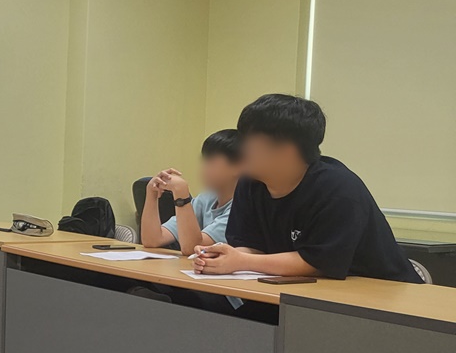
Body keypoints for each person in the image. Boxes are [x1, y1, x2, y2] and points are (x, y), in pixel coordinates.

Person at [193, 94, 421, 283]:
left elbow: (318, 262)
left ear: (286, 149)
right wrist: (222, 257)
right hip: (300, 294)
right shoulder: (250, 184)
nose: (240, 148)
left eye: (248, 139)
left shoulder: (338, 188)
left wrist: (243, 261)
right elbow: (250, 247)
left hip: (381, 299)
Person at [140, 130, 241, 255]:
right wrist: (152, 194)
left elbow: (192, 248)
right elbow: (152, 240)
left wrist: (181, 195)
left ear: (237, 167)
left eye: (211, 161)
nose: (203, 168)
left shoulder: (241, 207)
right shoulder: (206, 198)